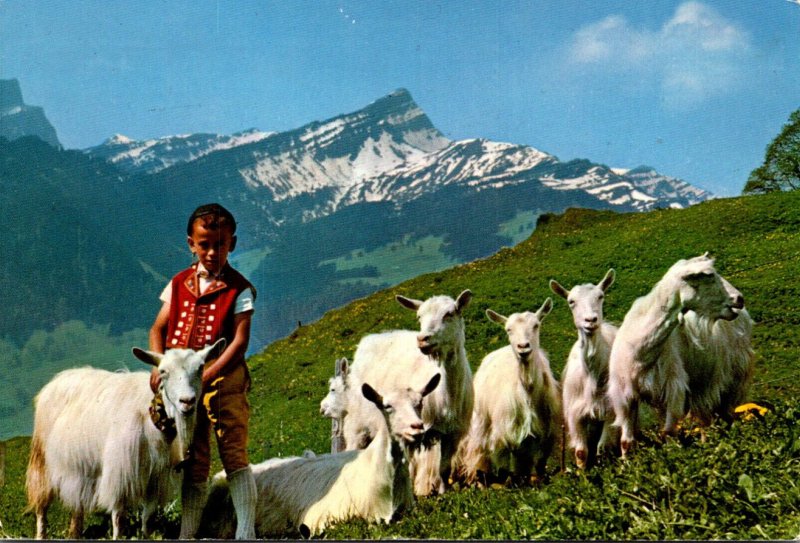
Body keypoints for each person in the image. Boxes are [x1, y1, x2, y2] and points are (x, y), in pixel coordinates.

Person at [148, 203, 257, 539]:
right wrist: (160, 363)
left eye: (220, 244)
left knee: (233, 450)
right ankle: (187, 532)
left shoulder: (239, 289)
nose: (212, 252)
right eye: (205, 244)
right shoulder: (178, 283)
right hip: (182, 382)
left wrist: (208, 375)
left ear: (232, 244)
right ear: (191, 244)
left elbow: (239, 342)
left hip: (223, 378)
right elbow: (158, 328)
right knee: (193, 456)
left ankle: (246, 531)